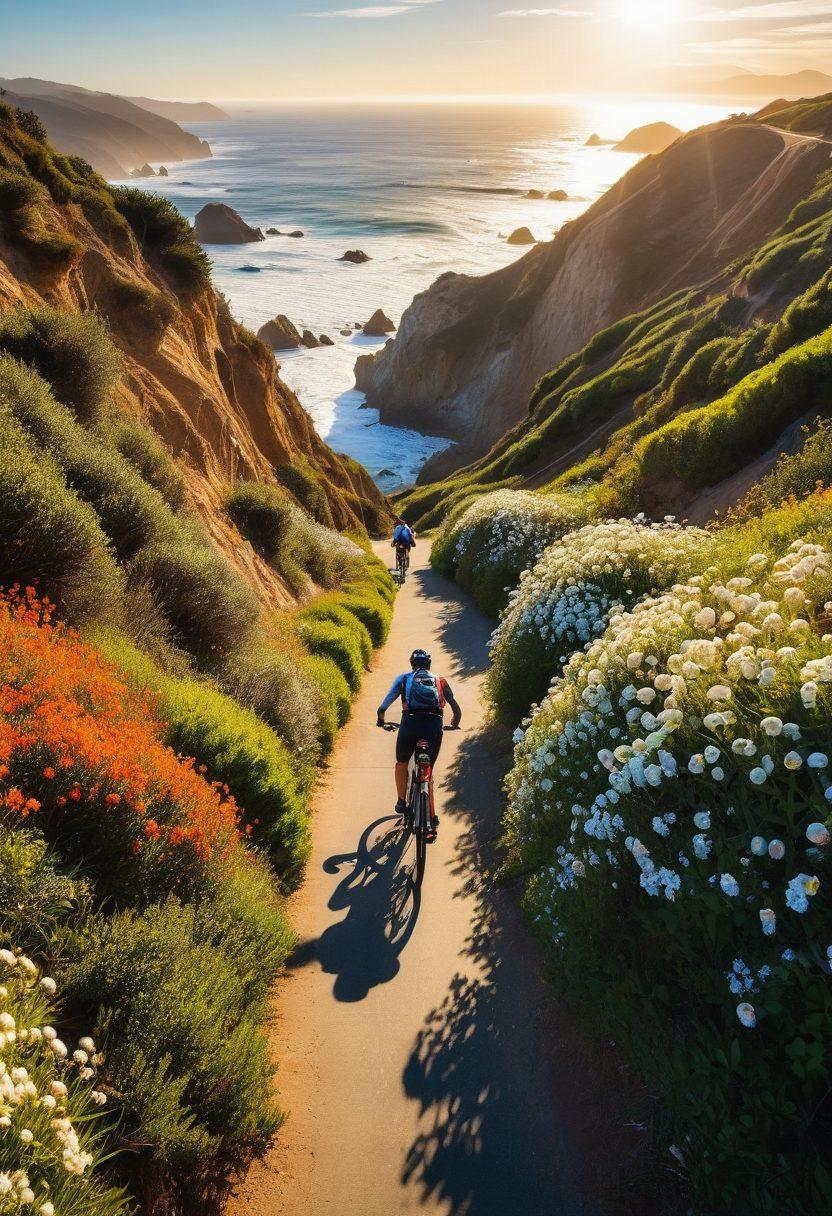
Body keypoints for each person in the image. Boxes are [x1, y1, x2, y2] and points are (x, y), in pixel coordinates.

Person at [376, 648, 461, 839]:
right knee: (428, 771)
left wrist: (381, 720)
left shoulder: (404, 679)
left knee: (402, 762)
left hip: (410, 724)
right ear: (429, 665)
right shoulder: (440, 680)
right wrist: (454, 724)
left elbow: (382, 707)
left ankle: (401, 801)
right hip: (433, 726)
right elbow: (456, 708)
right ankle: (430, 818)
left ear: (412, 664)